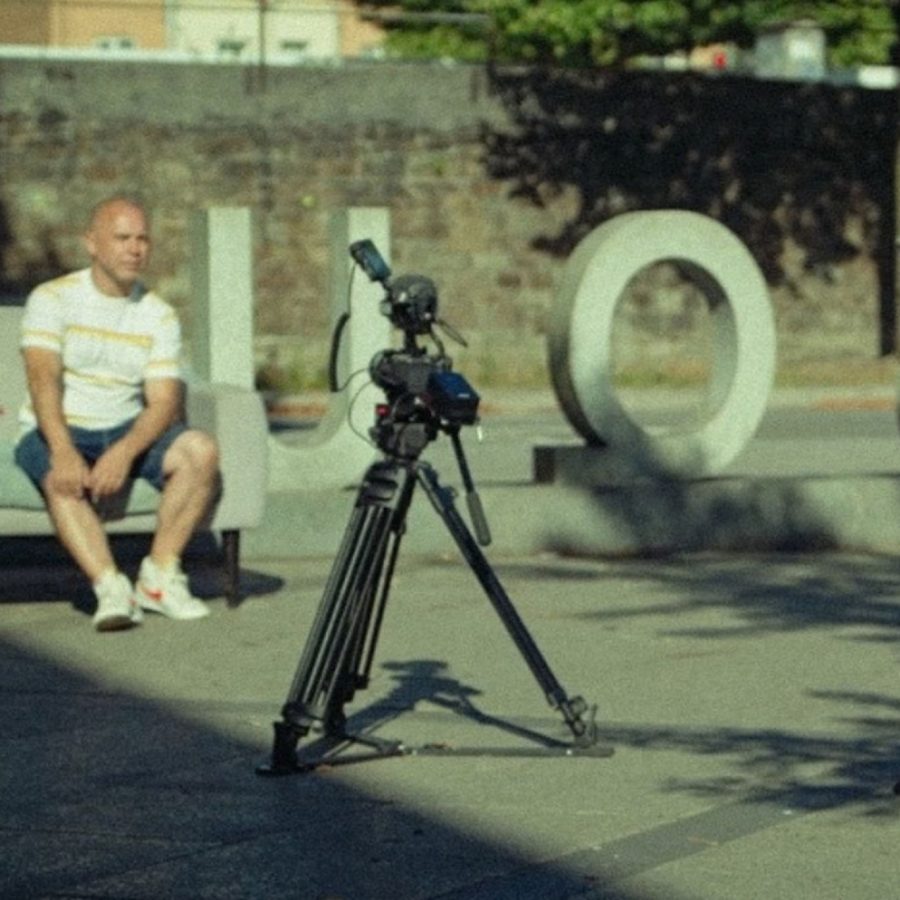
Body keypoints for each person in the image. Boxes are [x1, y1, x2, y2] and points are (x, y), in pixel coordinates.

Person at [14, 196, 220, 632]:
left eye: (142, 239)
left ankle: (159, 578)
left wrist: (124, 453)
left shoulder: (158, 314)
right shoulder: (52, 298)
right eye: (122, 237)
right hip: (62, 426)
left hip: (125, 425)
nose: (135, 248)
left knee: (199, 450)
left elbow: (163, 402)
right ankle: (110, 587)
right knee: (60, 475)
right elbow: (42, 380)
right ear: (92, 243)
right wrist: (65, 449)